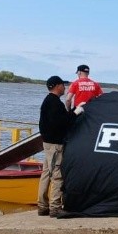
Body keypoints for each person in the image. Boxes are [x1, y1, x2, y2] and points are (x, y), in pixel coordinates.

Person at [38, 75, 86, 217]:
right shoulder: (54, 103)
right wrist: (76, 113)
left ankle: (42, 206)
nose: (64, 88)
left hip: (47, 143)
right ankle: (55, 207)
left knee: (46, 174)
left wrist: (71, 112)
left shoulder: (48, 101)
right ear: (56, 86)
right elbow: (61, 123)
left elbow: (56, 121)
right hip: (55, 145)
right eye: (62, 85)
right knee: (57, 175)